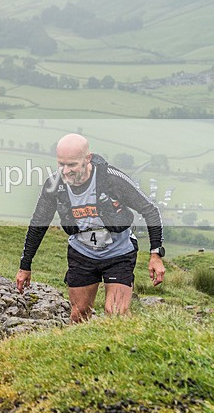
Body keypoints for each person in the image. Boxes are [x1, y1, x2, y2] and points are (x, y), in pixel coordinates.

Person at [16, 133, 166, 322]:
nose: (65, 171)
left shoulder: (111, 179)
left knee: (116, 315)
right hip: (82, 254)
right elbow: (38, 223)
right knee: (79, 315)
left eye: (72, 165)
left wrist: (155, 255)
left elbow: (150, 211)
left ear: (87, 159)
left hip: (118, 253)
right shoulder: (54, 185)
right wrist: (25, 265)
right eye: (61, 164)